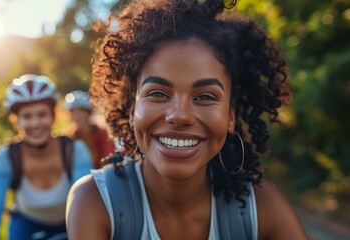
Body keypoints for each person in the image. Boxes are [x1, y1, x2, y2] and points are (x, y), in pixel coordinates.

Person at [66, 0, 308, 239]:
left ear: (230, 116)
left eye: (204, 96)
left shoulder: (261, 209)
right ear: (132, 110)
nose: (179, 115)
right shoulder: (96, 202)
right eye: (158, 93)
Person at [0, 74, 93, 240]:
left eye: (42, 114)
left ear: (53, 116)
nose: (35, 123)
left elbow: (85, 205)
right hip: (26, 225)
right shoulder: (5, 158)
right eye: (27, 116)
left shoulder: (75, 150)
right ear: (16, 121)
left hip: (71, 221)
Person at [64, 90, 116, 169]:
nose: (77, 117)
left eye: (81, 112)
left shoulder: (102, 134)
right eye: (74, 113)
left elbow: (109, 156)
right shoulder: (69, 137)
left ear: (88, 114)